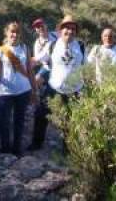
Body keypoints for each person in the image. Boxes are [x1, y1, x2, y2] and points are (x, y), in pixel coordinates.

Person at [29, 15, 86, 151]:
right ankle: (37, 144)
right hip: (53, 88)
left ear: (76, 31)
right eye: (67, 28)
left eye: (73, 29)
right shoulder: (52, 45)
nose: (70, 31)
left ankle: (68, 150)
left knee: (70, 122)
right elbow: (37, 59)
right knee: (41, 115)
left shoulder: (82, 46)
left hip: (74, 90)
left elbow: (86, 66)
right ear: (61, 30)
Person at [0, 21, 37, 157]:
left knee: (19, 120)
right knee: (3, 121)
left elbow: (29, 71)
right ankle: (5, 147)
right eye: (12, 31)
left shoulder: (25, 48)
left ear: (20, 34)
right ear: (7, 32)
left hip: (23, 90)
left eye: (16, 32)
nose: (14, 35)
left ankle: (17, 149)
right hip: (5, 91)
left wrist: (34, 90)